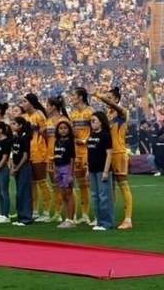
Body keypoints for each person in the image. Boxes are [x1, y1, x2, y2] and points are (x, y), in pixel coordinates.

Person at [96, 88, 133, 230]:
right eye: (107, 98)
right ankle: (108, 217)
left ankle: (128, 219)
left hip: (119, 153)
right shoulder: (107, 115)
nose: (107, 100)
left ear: (117, 100)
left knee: (123, 185)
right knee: (108, 187)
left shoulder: (123, 113)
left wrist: (99, 96)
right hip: (108, 153)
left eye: (110, 98)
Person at [20, 93, 50, 222]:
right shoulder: (24, 117)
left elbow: (46, 134)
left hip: (39, 152)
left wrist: (48, 153)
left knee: (42, 181)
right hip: (27, 152)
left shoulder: (39, 115)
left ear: (31, 102)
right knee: (31, 183)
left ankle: (47, 212)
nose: (22, 104)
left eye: (24, 102)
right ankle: (35, 210)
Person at [69, 87, 94, 224]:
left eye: (73, 95)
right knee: (81, 184)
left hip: (88, 150)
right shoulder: (72, 114)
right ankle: (84, 214)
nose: (71, 98)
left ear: (80, 97)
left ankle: (93, 215)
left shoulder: (90, 112)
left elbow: (95, 130)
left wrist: (85, 140)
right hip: (76, 151)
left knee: (89, 183)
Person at [45, 96, 70, 223]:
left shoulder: (63, 120)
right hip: (50, 156)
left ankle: (71, 215)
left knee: (66, 186)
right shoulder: (48, 120)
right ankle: (58, 212)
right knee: (55, 185)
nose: (46, 107)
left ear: (54, 106)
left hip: (62, 156)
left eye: (48, 105)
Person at [87, 111, 114, 231]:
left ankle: (107, 223)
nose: (92, 123)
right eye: (91, 121)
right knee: (95, 196)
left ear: (101, 122)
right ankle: (99, 221)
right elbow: (89, 153)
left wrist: (106, 171)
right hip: (93, 169)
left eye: (94, 121)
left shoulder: (105, 135)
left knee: (104, 197)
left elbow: (109, 153)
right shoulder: (91, 135)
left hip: (102, 169)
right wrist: (88, 169)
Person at [10, 116, 34, 226]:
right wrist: (13, 166)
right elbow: (14, 153)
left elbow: (25, 156)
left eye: (14, 123)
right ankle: (20, 217)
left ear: (20, 125)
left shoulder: (25, 137)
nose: (12, 125)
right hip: (17, 166)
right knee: (19, 193)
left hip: (24, 167)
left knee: (24, 192)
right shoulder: (16, 137)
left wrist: (17, 167)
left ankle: (26, 218)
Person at [53, 120, 76, 228]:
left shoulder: (70, 142)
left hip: (66, 168)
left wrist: (71, 174)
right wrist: (55, 170)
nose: (63, 130)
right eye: (61, 128)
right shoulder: (57, 141)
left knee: (68, 193)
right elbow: (55, 156)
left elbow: (72, 159)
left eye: (65, 128)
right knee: (62, 194)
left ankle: (71, 219)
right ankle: (67, 218)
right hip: (58, 168)